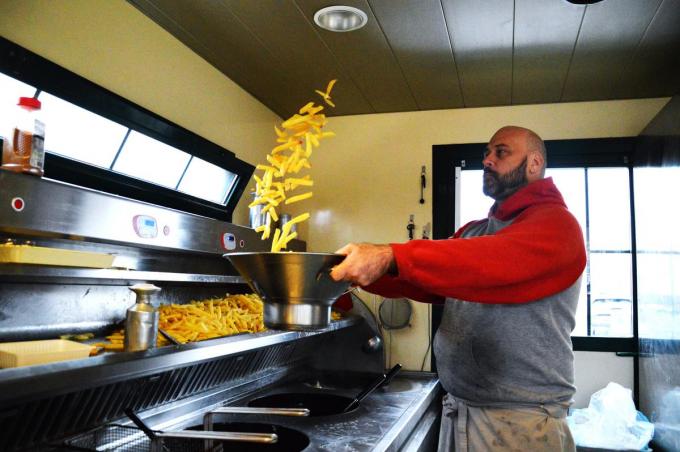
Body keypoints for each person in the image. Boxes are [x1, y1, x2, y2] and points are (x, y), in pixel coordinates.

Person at [330, 126, 586, 452]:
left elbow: (493, 263)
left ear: (534, 164)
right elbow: (428, 279)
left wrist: (390, 254)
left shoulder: (557, 226)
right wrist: (354, 275)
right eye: (486, 153)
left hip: (519, 423)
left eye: (501, 152)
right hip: (460, 408)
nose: (488, 160)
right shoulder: (476, 231)